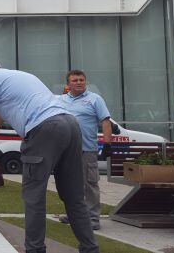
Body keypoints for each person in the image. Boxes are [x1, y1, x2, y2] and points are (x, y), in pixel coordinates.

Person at [0, 56, 99, 253]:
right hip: (70, 125)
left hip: (44, 129)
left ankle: (35, 250)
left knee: (34, 196)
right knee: (74, 196)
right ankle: (90, 249)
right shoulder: (17, 77)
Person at [57, 70, 112, 230]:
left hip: (86, 150)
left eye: (81, 80)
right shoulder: (60, 100)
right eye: (75, 80)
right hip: (66, 151)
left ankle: (93, 219)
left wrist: (108, 144)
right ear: (68, 84)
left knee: (89, 185)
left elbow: (106, 121)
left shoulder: (95, 99)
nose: (79, 82)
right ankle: (73, 214)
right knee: (69, 185)